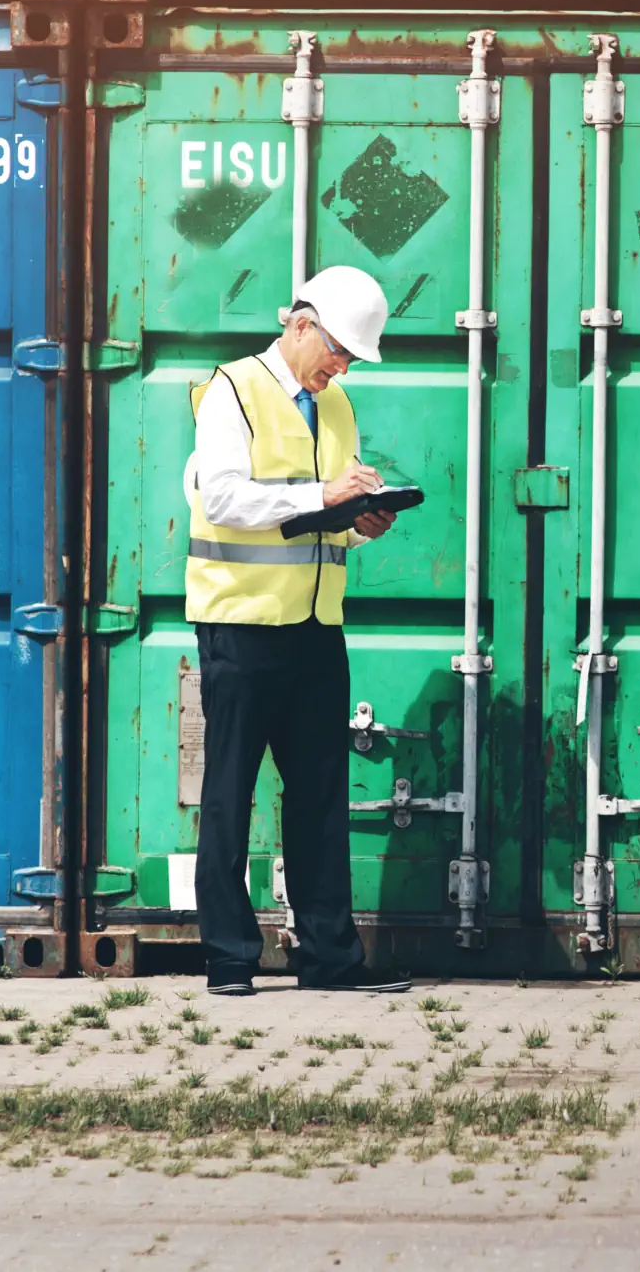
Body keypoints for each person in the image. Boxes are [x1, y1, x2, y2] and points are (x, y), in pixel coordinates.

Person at [183, 265, 409, 996]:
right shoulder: (233, 389)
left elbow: (322, 523)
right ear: (300, 323)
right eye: (338, 351)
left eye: (350, 359)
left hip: (315, 628)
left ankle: (331, 959)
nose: (340, 368)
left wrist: (363, 522)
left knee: (319, 797)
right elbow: (220, 495)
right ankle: (227, 958)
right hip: (240, 625)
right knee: (229, 795)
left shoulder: (336, 406)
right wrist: (323, 494)